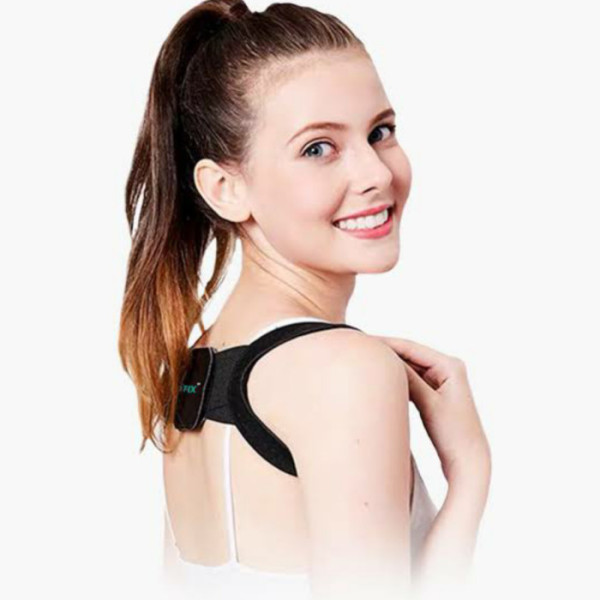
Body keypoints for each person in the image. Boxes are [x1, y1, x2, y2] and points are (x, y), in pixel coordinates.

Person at [117, 1, 492, 598]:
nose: (376, 173)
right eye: (318, 148)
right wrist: (469, 472)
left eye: (380, 132)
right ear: (225, 188)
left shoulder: (196, 368)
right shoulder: (346, 369)